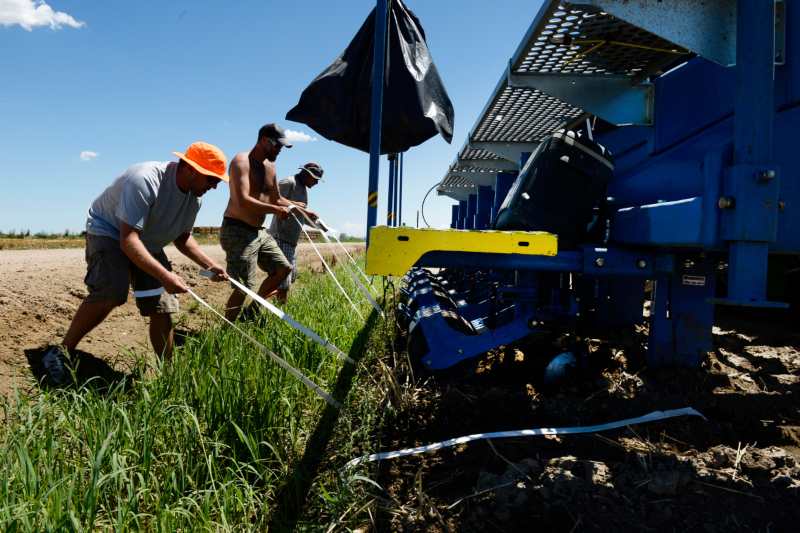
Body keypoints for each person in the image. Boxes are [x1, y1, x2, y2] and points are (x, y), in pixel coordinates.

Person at [41, 142, 230, 386]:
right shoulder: (145, 179)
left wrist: (210, 264)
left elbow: (182, 238)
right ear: (191, 169)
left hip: (147, 240)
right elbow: (128, 239)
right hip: (109, 230)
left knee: (163, 306)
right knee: (111, 291)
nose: (214, 186)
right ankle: (61, 352)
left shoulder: (195, 198)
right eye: (211, 179)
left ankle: (169, 375)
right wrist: (166, 276)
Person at [220, 123, 317, 321]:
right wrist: (276, 210)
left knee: (283, 269)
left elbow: (277, 199)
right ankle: (227, 329)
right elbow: (243, 200)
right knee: (243, 285)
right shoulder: (241, 162)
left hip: (258, 231)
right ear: (264, 140)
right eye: (277, 146)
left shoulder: (270, 167)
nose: (279, 150)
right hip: (237, 229)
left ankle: (252, 312)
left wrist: (301, 210)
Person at [269, 162, 323, 303]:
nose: (316, 183)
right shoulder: (289, 182)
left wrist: (317, 224)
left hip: (291, 240)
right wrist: (299, 206)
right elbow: (273, 199)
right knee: (283, 281)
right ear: (306, 174)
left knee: (290, 277)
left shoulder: (303, 188)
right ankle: (279, 310)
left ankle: (261, 300)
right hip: (280, 237)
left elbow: (299, 215)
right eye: (315, 179)